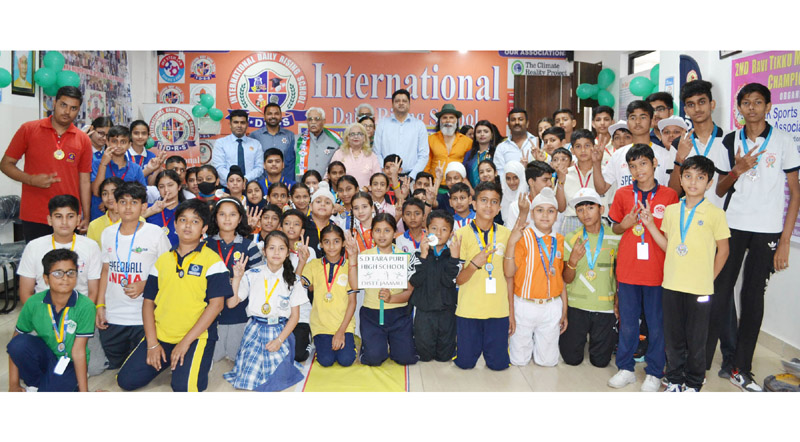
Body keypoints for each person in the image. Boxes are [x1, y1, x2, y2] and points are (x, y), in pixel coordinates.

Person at [712, 82, 800, 391]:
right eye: (746, 102)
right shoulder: (729, 140)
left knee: (752, 295)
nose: (752, 107)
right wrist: (736, 170)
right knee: (719, 290)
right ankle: (714, 357)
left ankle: (741, 367)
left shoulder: (784, 141)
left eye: (758, 102)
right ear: (739, 107)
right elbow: (720, 189)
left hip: (767, 229)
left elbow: (795, 191)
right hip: (733, 224)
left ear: (768, 106)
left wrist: (786, 240)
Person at [116, 199, 232, 392]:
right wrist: (152, 344)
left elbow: (217, 305)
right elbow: (148, 303)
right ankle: (169, 360)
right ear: (175, 225)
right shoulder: (162, 261)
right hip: (162, 336)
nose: (188, 225)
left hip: (196, 338)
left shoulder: (213, 261)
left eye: (195, 221)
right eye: (183, 220)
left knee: (184, 389)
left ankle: (189, 362)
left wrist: (184, 343)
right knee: (125, 380)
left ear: (204, 228)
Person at [640, 156, 730, 392]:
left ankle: (693, 381)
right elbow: (668, 245)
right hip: (671, 284)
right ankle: (675, 379)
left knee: (696, 339)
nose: (693, 182)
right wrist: (650, 225)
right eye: (688, 176)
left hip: (700, 288)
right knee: (674, 337)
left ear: (709, 183)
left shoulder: (715, 214)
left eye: (700, 178)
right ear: (680, 179)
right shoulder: (671, 211)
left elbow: (724, 250)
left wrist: (708, 278)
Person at [606, 144, 679, 392]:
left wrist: (649, 226)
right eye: (633, 166)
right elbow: (615, 227)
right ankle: (625, 368)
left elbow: (672, 235)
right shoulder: (623, 194)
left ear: (654, 163)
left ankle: (655, 371)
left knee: (657, 323)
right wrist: (625, 224)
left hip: (657, 271)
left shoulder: (669, 196)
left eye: (643, 164)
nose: (639, 170)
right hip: (628, 269)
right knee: (627, 322)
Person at [96, 182, 172, 371]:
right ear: (114, 205)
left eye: (134, 202)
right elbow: (105, 271)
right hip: (114, 316)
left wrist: (145, 285)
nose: (128, 207)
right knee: (114, 366)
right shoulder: (107, 234)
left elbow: (168, 272)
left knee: (139, 370)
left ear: (144, 206)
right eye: (122, 202)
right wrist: (100, 305)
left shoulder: (155, 234)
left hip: (144, 317)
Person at [2, 86, 93, 240]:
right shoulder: (29, 129)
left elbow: (84, 180)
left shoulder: (83, 139)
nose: (67, 112)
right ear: (54, 103)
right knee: (39, 263)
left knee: (67, 263)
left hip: (69, 216)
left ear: (78, 111)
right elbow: (5, 164)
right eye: (63, 105)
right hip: (35, 214)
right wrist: (31, 179)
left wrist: (85, 215)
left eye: (73, 108)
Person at [224, 231, 307, 391]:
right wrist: (237, 278)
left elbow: (294, 317)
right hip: (254, 329)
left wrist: (279, 341)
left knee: (275, 381)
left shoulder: (293, 280)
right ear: (264, 251)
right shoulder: (251, 274)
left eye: (281, 248)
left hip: (279, 332)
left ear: (288, 252)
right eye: (272, 248)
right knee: (247, 382)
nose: (276, 253)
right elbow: (232, 303)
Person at [7, 249, 95, 392]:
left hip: (69, 361)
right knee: (18, 344)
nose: (65, 278)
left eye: (71, 272)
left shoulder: (86, 306)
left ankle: (58, 384)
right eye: (58, 273)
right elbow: (14, 344)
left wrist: (84, 393)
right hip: (46, 356)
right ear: (46, 278)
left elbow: (79, 351)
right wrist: (13, 385)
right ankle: (41, 384)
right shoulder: (34, 302)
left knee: (54, 389)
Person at [453, 181, 512, 370]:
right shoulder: (460, 235)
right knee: (465, 364)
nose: (489, 206)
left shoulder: (507, 234)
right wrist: (474, 264)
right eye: (484, 200)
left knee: (499, 365)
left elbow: (510, 276)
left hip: (498, 310)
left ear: (499, 207)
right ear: (474, 203)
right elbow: (458, 280)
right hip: (469, 310)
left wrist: (511, 312)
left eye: (494, 202)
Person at [505, 187, 567, 367]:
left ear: (556, 215)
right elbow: (508, 273)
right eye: (540, 210)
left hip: (551, 305)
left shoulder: (560, 240)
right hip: (524, 305)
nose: (545, 215)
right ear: (532, 214)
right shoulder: (523, 237)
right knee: (518, 361)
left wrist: (564, 310)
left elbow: (560, 278)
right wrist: (511, 243)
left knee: (548, 362)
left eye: (551, 211)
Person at [559, 188, 620, 368]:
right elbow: (566, 279)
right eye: (580, 209)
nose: (585, 213)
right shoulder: (570, 238)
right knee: (571, 359)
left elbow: (620, 273)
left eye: (590, 207)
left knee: (600, 362)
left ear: (601, 209)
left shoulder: (615, 237)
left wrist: (618, 300)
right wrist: (572, 261)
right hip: (577, 306)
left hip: (605, 307)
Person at [347, 213, 418, 366]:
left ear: (394, 233)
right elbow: (354, 286)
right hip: (371, 314)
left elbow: (408, 292)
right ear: (372, 233)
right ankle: (372, 346)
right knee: (373, 359)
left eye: (387, 230)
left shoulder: (404, 257)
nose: (382, 235)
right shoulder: (365, 256)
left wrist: (391, 298)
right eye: (377, 230)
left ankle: (395, 343)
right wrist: (353, 257)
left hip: (399, 314)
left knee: (406, 358)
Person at [205, 197, 263, 363]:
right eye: (222, 214)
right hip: (211, 316)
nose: (227, 218)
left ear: (239, 218)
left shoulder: (249, 246)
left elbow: (257, 280)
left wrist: (235, 280)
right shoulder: (205, 245)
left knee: (240, 360)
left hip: (240, 314)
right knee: (210, 360)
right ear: (215, 218)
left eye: (232, 214)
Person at [301, 224, 358, 367]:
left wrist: (341, 331)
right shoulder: (313, 265)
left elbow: (352, 302)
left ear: (343, 243)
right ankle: (320, 343)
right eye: (326, 242)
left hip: (344, 325)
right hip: (321, 325)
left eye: (336, 241)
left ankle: (352, 343)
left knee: (346, 360)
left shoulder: (349, 266)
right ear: (320, 244)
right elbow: (297, 283)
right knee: (326, 361)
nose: (331, 246)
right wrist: (302, 261)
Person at [408, 210, 461, 362]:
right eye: (434, 228)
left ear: (451, 234)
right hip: (424, 311)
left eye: (444, 229)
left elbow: (448, 280)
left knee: (444, 356)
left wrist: (454, 259)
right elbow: (414, 281)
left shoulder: (454, 256)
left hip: (447, 310)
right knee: (424, 355)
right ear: (426, 231)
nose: (438, 233)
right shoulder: (417, 255)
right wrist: (424, 257)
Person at [592, 101, 673, 199]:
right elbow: (601, 189)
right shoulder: (618, 154)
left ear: (652, 122)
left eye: (643, 117)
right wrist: (596, 163)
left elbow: (672, 191)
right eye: (633, 118)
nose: (637, 122)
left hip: (656, 211)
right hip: (626, 212)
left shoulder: (665, 155)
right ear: (628, 123)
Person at [669, 79, 727, 208]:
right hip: (690, 219)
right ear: (686, 110)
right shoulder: (679, 143)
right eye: (691, 104)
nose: (697, 108)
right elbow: (673, 192)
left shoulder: (729, 139)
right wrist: (679, 158)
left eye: (702, 102)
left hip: (724, 218)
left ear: (712, 104)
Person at [90, 125, 151, 221]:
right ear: (107, 142)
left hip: (127, 220)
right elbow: (97, 192)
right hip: (100, 218)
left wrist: (114, 203)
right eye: (114, 141)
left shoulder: (136, 169)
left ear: (129, 144)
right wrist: (103, 164)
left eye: (123, 142)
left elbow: (141, 197)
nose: (118, 146)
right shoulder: (97, 163)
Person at [280, 209, 316, 362]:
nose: (291, 227)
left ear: (302, 230)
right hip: (280, 311)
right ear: (280, 228)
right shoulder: (275, 250)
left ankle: (309, 336)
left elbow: (304, 285)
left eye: (296, 224)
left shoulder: (310, 252)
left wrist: (302, 261)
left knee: (298, 355)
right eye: (287, 224)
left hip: (301, 312)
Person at [373, 89, 429, 179]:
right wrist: (385, 171)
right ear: (392, 105)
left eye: (404, 101)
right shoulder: (383, 124)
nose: (401, 103)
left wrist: (411, 177)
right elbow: (377, 152)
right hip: (386, 177)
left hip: (410, 177)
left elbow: (423, 155)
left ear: (409, 104)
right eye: (397, 101)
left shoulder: (419, 125)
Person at [562, 130, 605, 235]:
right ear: (572, 150)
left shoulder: (605, 172)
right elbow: (561, 207)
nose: (583, 150)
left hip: (599, 220)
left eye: (587, 145)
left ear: (594, 147)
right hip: (572, 220)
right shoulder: (565, 174)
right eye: (578, 146)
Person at [211, 109, 263, 183]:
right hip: (228, 188)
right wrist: (234, 180)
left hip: (250, 188)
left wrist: (245, 179)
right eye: (236, 122)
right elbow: (219, 167)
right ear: (230, 124)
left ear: (247, 125)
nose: (239, 126)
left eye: (242, 123)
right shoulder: (220, 143)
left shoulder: (256, 144)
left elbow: (259, 168)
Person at [249, 102, 296, 183]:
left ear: (281, 116)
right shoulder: (254, 136)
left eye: (276, 114)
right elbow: (251, 162)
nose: (273, 116)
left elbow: (291, 164)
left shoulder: (290, 135)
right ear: (264, 117)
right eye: (269, 114)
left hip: (284, 183)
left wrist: (288, 182)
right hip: (261, 183)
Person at [294, 107, 342, 178]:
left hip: (326, 185)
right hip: (302, 185)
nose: (313, 122)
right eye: (310, 119)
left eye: (317, 119)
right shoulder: (296, 140)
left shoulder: (334, 140)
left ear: (324, 121)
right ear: (307, 122)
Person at [330, 122, 382, 187]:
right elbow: (329, 175)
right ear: (347, 138)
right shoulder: (339, 154)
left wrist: (367, 189)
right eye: (352, 134)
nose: (356, 136)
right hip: (344, 194)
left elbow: (378, 179)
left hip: (366, 195)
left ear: (364, 138)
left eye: (360, 134)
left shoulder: (371, 156)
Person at [425, 104, 473, 174]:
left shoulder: (467, 142)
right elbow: (426, 165)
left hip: (458, 182)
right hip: (435, 182)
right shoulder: (430, 140)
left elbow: (469, 166)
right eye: (444, 118)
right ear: (440, 121)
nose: (448, 120)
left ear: (456, 121)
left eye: (451, 117)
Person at [495, 108, 541, 177]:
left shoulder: (537, 142)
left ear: (527, 123)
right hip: (509, 187)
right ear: (509, 125)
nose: (517, 122)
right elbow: (500, 174)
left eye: (520, 119)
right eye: (513, 120)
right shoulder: (501, 147)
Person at [143, 170, 185, 246]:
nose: (166, 190)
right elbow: (129, 224)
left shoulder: (186, 210)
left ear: (179, 187)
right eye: (161, 187)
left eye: (170, 185)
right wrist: (151, 211)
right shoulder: (149, 208)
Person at [87, 177, 124, 248]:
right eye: (105, 194)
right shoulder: (94, 225)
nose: (110, 197)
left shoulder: (137, 221)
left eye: (114, 192)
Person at [463, 120, 501, 188]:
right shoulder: (469, 154)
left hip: (492, 194)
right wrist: (473, 194)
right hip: (472, 195)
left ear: (492, 135)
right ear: (475, 136)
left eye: (486, 131)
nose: (482, 134)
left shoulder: (497, 153)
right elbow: (464, 176)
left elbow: (500, 175)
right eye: (479, 132)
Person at [500, 161, 528, 228]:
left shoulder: (527, 198)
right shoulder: (504, 196)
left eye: (515, 178)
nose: (512, 182)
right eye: (508, 178)